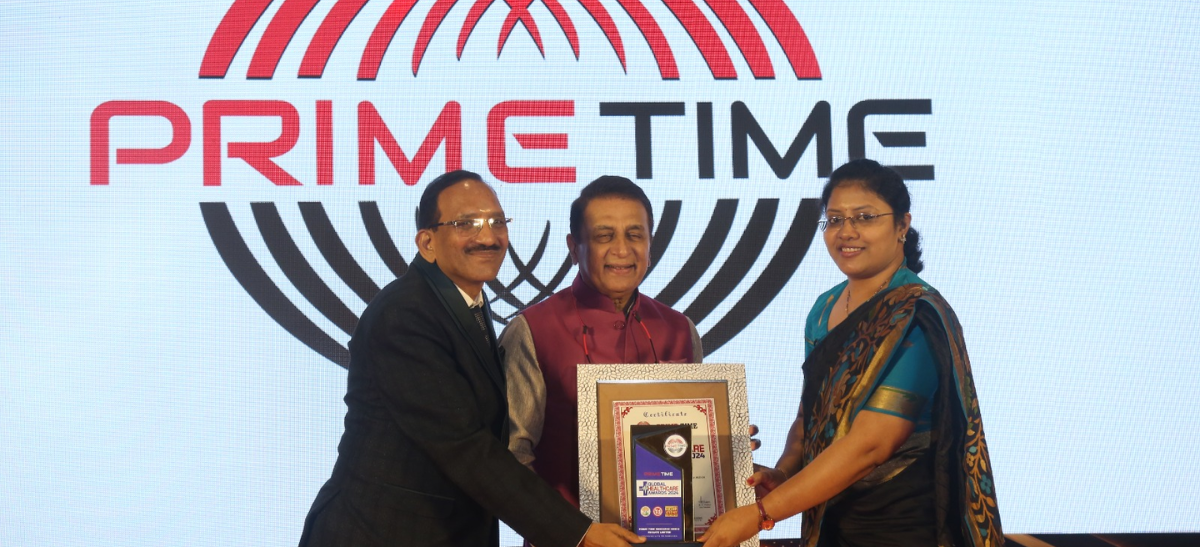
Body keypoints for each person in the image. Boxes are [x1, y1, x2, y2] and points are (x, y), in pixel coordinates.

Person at [298, 170, 644, 547]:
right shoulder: (405, 315)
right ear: (427, 242)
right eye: (466, 224)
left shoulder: (466, 304)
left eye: (497, 222)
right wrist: (577, 532)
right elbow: (465, 447)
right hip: (381, 532)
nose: (487, 237)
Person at [700, 159, 1004, 547]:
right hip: (830, 521)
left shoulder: (917, 315)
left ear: (902, 225)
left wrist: (762, 513)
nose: (847, 232)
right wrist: (784, 474)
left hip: (903, 525)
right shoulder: (824, 308)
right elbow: (811, 418)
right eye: (835, 220)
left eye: (865, 217)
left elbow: (872, 444)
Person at [499, 175, 704, 507]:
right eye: (604, 236)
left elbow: (689, 446)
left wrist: (724, 447)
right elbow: (511, 455)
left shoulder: (680, 330)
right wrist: (568, 528)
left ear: (650, 246)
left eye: (634, 235)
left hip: (667, 526)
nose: (621, 250)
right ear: (573, 248)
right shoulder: (533, 330)